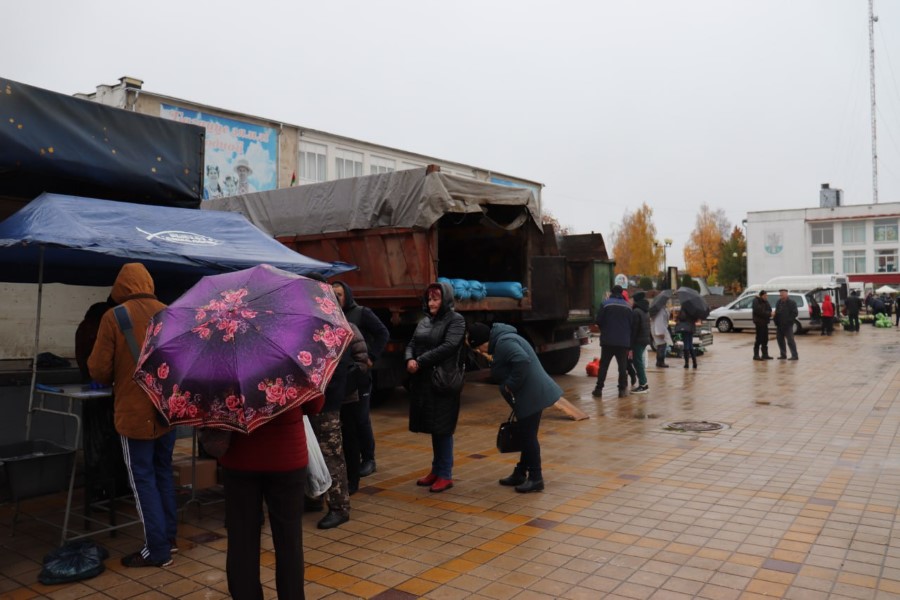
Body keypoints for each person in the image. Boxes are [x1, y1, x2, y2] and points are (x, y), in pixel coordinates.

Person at [87, 263, 177, 568]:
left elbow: (99, 369)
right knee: (163, 471)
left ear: (120, 287)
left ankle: (158, 549)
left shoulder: (114, 316)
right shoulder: (170, 313)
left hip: (135, 412)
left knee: (142, 479)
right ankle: (169, 538)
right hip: (166, 410)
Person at [219, 391, 324, 599]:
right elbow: (315, 405)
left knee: (242, 538)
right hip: (286, 456)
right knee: (289, 540)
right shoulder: (292, 368)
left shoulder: (223, 369)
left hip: (240, 456)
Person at [467, 322, 562, 493]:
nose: (480, 351)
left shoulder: (504, 343)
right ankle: (521, 472)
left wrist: (510, 385)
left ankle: (536, 478)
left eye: (478, 347)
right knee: (527, 435)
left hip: (532, 395)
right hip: (531, 394)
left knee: (528, 437)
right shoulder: (503, 340)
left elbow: (522, 361)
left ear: (483, 341)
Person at [405, 282, 466, 493]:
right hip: (425, 382)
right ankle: (436, 470)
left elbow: (449, 346)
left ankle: (445, 474)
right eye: (429, 299)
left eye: (436, 299)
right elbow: (411, 343)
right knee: (434, 426)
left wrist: (419, 361)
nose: (431, 303)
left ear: (445, 299)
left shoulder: (456, 320)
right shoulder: (424, 321)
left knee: (443, 428)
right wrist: (409, 359)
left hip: (444, 381)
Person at [308, 322, 368, 529]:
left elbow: (342, 366)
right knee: (312, 453)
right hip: (310, 401)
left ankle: (339, 507)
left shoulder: (332, 326)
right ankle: (314, 496)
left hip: (328, 401)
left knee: (331, 454)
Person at [332, 281, 389, 478]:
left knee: (361, 419)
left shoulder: (361, 313)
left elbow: (383, 333)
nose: (336, 298)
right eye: (333, 294)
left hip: (360, 376)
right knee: (346, 422)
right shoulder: (331, 315)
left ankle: (369, 459)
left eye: (339, 294)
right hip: (342, 378)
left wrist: (371, 357)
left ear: (347, 295)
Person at [591, 285, 633, 398]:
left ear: (612, 292)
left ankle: (599, 389)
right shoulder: (628, 307)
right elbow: (632, 324)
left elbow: (598, 321)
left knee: (604, 366)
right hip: (623, 342)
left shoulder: (605, 304)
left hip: (607, 341)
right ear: (621, 293)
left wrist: (605, 329)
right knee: (622, 367)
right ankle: (622, 390)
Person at [630, 291, 651, 393]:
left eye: (633, 299)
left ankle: (643, 384)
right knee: (638, 361)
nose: (631, 301)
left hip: (638, 340)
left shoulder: (636, 311)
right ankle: (644, 383)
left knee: (637, 362)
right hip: (644, 339)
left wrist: (630, 343)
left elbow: (634, 329)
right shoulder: (645, 310)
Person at [773, 288, 799, 360]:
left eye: (782, 293)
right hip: (779, 325)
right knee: (780, 340)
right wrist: (775, 320)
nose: (780, 295)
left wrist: (789, 321)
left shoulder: (792, 302)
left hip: (788, 325)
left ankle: (794, 355)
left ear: (786, 294)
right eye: (780, 294)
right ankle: (783, 354)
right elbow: (776, 311)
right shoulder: (778, 302)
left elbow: (795, 313)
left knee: (790, 340)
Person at [650, 296, 672, 368]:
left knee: (661, 346)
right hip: (659, 330)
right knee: (662, 346)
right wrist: (661, 333)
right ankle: (661, 362)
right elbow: (659, 322)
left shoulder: (662, 310)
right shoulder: (661, 311)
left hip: (660, 329)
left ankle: (659, 362)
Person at [752, 290, 774, 360]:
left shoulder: (766, 301)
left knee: (765, 339)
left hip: (765, 323)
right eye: (764, 296)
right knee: (759, 338)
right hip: (759, 323)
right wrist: (769, 313)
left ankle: (765, 354)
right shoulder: (756, 301)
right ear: (761, 296)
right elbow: (759, 311)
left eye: (766, 295)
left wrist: (769, 313)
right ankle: (756, 355)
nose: (766, 297)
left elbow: (769, 309)